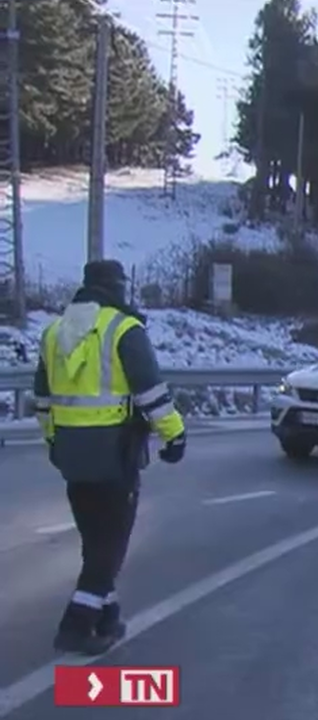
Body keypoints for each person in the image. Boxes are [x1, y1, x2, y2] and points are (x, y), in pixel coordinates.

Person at [32, 259, 188, 656]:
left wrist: (54, 442)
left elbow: (43, 401)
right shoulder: (124, 329)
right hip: (115, 453)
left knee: (95, 540)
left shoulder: (54, 332)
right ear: (118, 287)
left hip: (71, 453)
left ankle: (108, 617)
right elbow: (151, 392)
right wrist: (174, 436)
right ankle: (75, 625)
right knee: (111, 545)